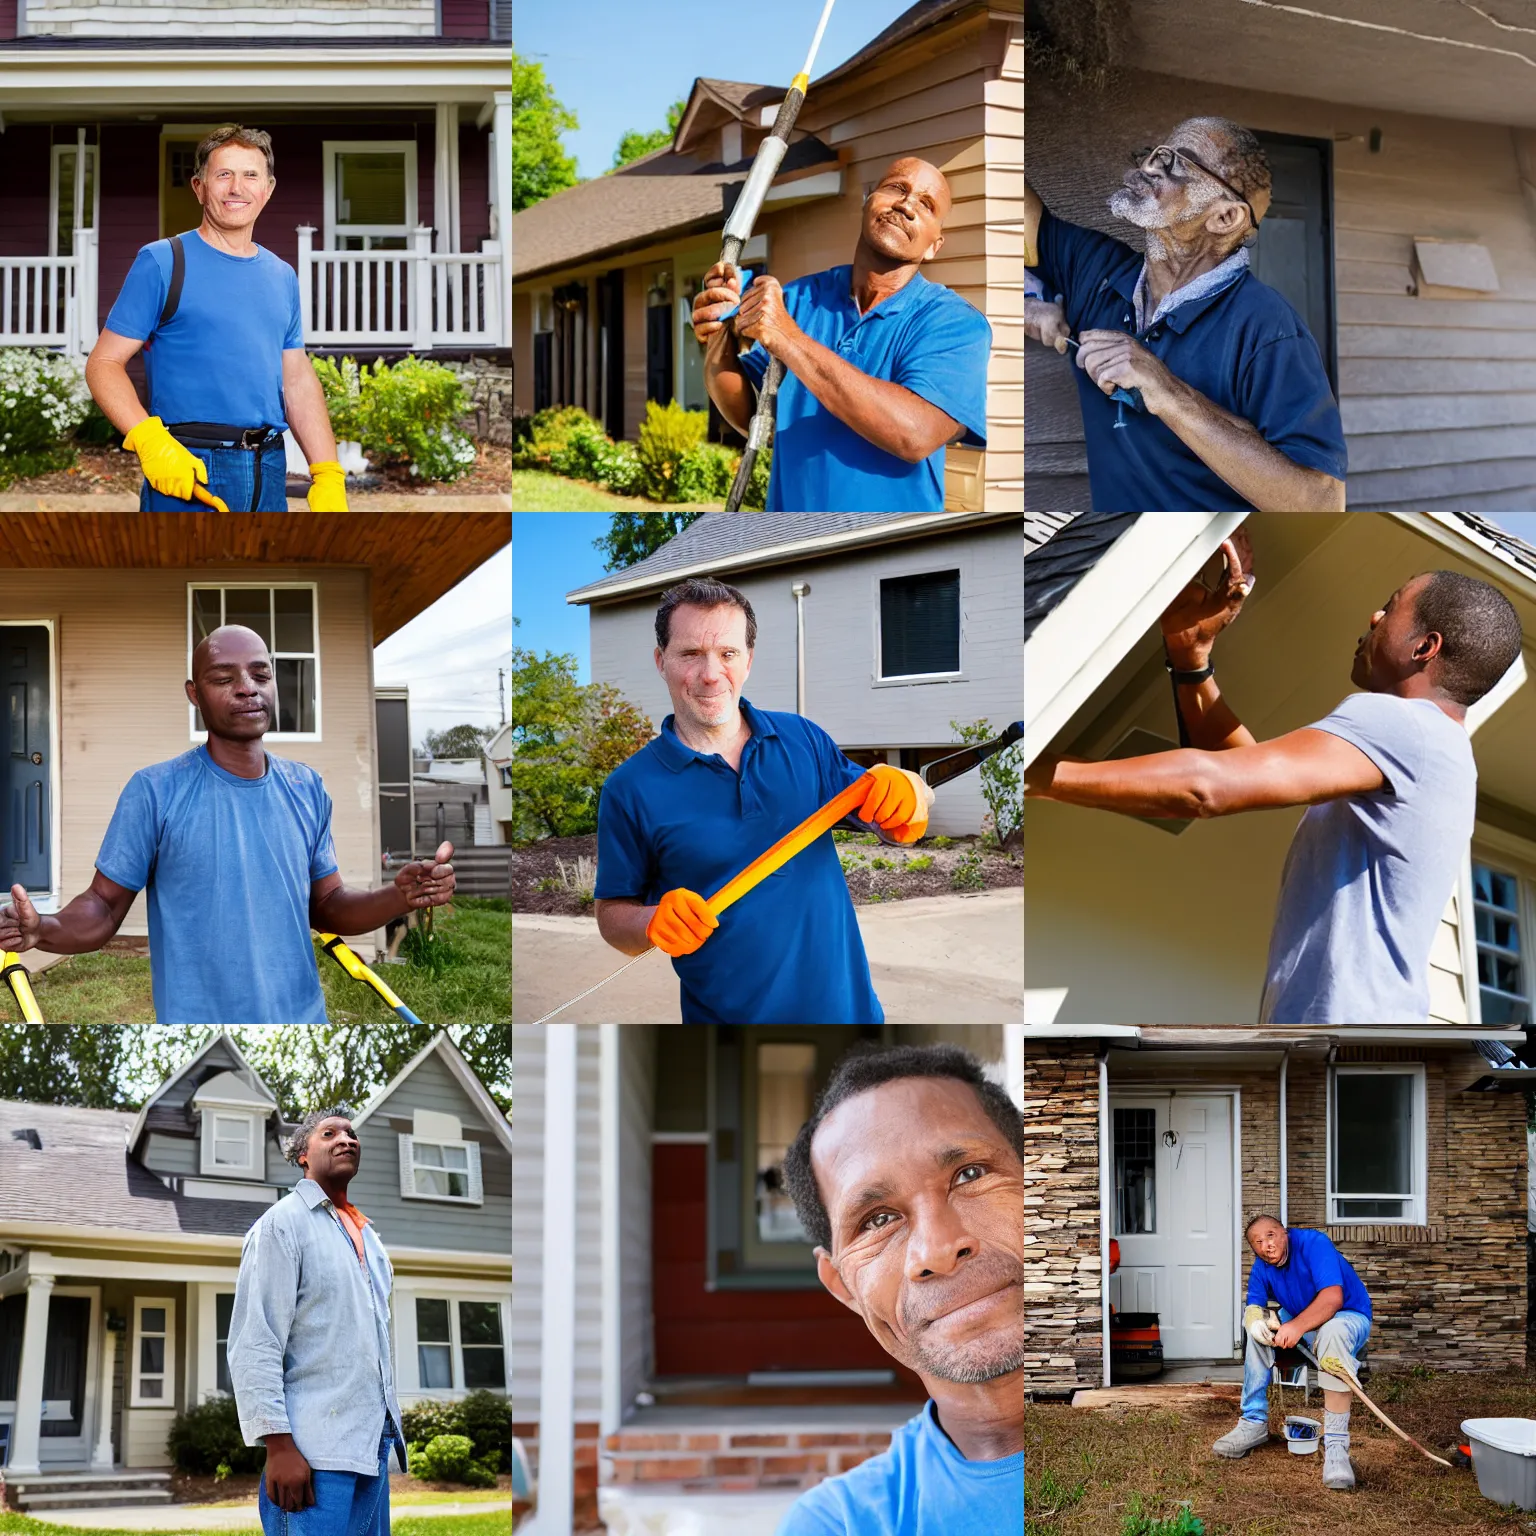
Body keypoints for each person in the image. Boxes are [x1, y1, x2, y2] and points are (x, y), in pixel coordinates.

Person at [1025, 534, 1523, 1023]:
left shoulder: (1403, 726)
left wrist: (1032, 774)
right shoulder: (1437, 747)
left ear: (1425, 646)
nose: (1374, 617)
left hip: (1343, 1046)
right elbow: (1243, 768)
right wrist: (1190, 658)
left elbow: (1206, 787)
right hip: (1358, 1042)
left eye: (1390, 608)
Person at [0, 624, 454, 1023]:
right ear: (194, 693)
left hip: (303, 1016)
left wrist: (399, 895)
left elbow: (328, 904)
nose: (247, 688)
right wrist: (45, 929)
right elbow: (103, 906)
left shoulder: (307, 788)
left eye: (261, 675)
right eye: (224, 678)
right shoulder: (155, 790)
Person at [593, 576, 932, 1023]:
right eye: (691, 654)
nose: (711, 673)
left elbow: (892, 817)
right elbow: (611, 914)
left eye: (727, 654)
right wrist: (650, 923)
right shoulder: (629, 788)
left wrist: (909, 786)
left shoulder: (802, 739)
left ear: (748, 660)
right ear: (662, 661)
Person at [1025, 116, 1347, 512]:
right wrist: (1024, 302)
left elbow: (1321, 503)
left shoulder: (1268, 327)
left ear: (1225, 217)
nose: (1145, 169)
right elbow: (1008, 200)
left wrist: (1169, 393)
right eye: (1153, 156)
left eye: (1175, 164)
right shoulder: (1098, 271)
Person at [773, 1043, 1024, 1534]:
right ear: (843, 1286)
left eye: (969, 1174)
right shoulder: (839, 1525)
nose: (937, 1249)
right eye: (877, 1220)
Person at [691, 156, 991, 511]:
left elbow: (914, 434)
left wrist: (789, 339)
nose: (907, 205)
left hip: (890, 547)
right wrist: (717, 334)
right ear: (867, 200)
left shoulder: (954, 322)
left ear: (933, 246)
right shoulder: (800, 299)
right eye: (897, 187)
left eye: (927, 205)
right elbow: (754, 419)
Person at [85, 123, 348, 513]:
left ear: (268, 189)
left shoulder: (281, 276)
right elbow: (104, 364)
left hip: (269, 469)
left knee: (267, 577)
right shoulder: (163, 261)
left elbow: (295, 376)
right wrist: (149, 441)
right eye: (224, 175)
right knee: (182, 577)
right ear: (199, 187)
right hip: (189, 468)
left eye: (250, 175)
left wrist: (327, 471)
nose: (237, 188)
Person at [227, 1108, 407, 1534]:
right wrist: (278, 1444)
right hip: (312, 1456)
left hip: (370, 1449)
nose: (346, 1139)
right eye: (330, 1134)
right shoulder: (281, 1225)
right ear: (303, 1154)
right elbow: (256, 1340)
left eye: (351, 1134)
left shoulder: (372, 1241)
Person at [1213, 1215, 1372, 1493]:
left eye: (1271, 1236)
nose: (1266, 1246)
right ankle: (1254, 1422)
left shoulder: (1313, 1243)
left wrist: (1296, 1326)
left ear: (1284, 1233)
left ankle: (1336, 1446)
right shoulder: (1262, 1266)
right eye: (1258, 1242)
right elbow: (1254, 1305)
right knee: (1261, 1331)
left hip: (1347, 1317)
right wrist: (1254, 1322)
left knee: (1332, 1333)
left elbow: (1333, 1298)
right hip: (1302, 1321)